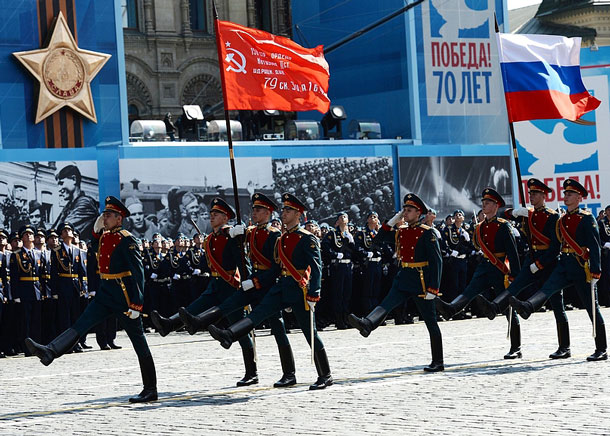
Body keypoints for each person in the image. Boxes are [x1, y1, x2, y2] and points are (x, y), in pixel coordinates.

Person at [26, 196, 158, 403]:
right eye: (104, 214)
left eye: (108, 215)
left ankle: (150, 389)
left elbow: (138, 274)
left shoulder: (128, 239)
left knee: (138, 342)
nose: (104, 218)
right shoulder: (105, 237)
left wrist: (137, 303)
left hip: (123, 296)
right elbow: (95, 244)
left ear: (119, 218)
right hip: (106, 292)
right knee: (81, 324)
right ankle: (50, 351)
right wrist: (98, 229)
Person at [208, 193, 333, 390]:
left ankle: (325, 375)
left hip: (299, 289)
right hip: (281, 285)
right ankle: (229, 334)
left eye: (288, 210)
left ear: (299, 214)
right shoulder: (282, 237)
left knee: (310, 333)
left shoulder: (305, 238)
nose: (284, 213)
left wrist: (314, 293)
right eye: (283, 209)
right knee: (258, 314)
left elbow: (316, 268)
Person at [180, 193, 297, 388]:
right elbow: (237, 243)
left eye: (258, 210)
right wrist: (236, 233)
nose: (254, 212)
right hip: (252, 283)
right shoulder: (250, 232)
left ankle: (289, 373)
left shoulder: (274, 235)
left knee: (278, 329)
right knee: (230, 304)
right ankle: (200, 322)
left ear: (268, 212)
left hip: (268, 285)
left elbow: (276, 267)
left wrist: (255, 280)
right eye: (253, 209)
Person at [150, 198, 256, 386]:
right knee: (191, 310)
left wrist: (247, 283)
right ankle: (168, 325)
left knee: (239, 330)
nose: (212, 216)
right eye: (211, 213)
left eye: (216, 214)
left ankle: (251, 372)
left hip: (230, 286)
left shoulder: (230, 236)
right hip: (214, 283)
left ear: (225, 217)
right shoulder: (212, 238)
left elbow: (243, 262)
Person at [510, 179, 607, 361]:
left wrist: (596, 271)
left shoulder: (587, 218)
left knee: (591, 308)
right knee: (547, 288)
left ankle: (601, 348)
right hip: (564, 264)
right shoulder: (562, 219)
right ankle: (529, 308)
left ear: (579, 197)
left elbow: (595, 247)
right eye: (565, 193)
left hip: (581, 267)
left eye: (570, 194)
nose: (566, 196)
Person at [348, 194, 444, 372]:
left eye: (409, 210)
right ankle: (367, 323)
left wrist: (433, 287)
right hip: (404, 276)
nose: (405, 213)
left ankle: (438, 361)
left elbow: (437, 261)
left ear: (418, 212)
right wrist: (395, 218)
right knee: (387, 304)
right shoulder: (403, 231)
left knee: (430, 321)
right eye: (404, 210)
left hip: (421, 280)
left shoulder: (427, 232)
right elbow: (379, 238)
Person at [476, 179, 569, 359]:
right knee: (513, 288)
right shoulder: (529, 214)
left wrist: (539, 265)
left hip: (547, 263)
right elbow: (505, 213)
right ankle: (495, 308)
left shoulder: (552, 216)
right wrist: (517, 212)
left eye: (535, 193)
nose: (531, 196)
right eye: (530, 193)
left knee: (557, 304)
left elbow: (555, 247)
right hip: (530, 259)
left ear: (543, 195)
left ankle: (564, 347)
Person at [436, 188, 522, 359]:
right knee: (469, 291)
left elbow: (513, 253)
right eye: (483, 202)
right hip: (485, 266)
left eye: (488, 202)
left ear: (496, 206)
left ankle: (516, 347)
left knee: (507, 308)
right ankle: (451, 309)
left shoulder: (503, 226)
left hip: (500, 269)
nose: (484, 204)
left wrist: (515, 277)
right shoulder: (480, 227)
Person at [9, 225, 43, 356]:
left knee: (36, 320)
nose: (29, 236)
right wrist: (16, 295)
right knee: (26, 321)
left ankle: (37, 346)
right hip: (24, 291)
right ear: (22, 238)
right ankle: (27, 348)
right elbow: (14, 277)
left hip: (36, 290)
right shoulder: (16, 255)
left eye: (31, 234)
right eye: (26, 234)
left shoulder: (37, 253)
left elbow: (41, 275)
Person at [322, 212, 355, 329]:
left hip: (347, 266)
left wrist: (351, 242)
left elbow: (354, 252)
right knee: (338, 293)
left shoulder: (348, 234)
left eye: (346, 217)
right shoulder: (332, 234)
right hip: (338, 266)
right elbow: (325, 247)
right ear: (337, 221)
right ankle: (339, 320)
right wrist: (335, 254)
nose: (344, 219)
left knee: (347, 294)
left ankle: (346, 319)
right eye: (342, 217)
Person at [52, 164, 99, 237]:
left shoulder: (85, 204)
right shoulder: (69, 206)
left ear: (74, 179)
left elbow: (63, 232)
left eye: (61, 183)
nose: (59, 189)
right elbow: (54, 230)